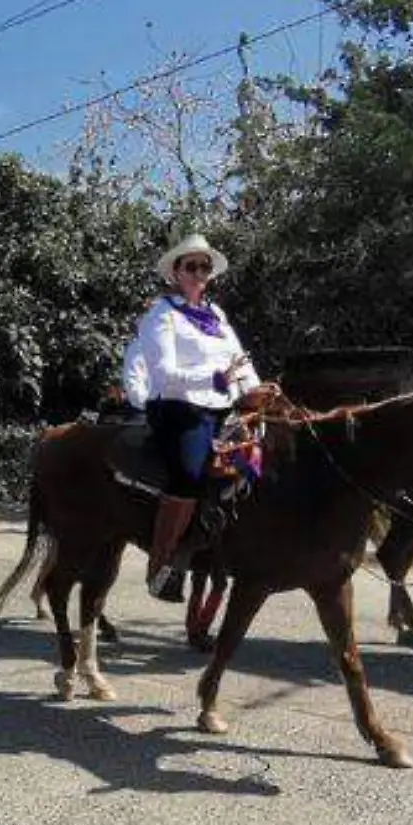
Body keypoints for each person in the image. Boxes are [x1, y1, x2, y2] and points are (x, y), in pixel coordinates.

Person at [136, 234, 263, 603]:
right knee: (190, 473)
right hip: (179, 407)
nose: (199, 272)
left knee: (262, 456)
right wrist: (213, 379)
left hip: (223, 405)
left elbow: (240, 361)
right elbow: (162, 374)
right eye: (190, 266)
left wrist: (257, 389)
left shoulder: (217, 315)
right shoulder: (161, 314)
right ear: (175, 273)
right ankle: (160, 564)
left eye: (204, 266)